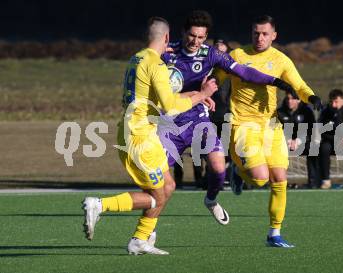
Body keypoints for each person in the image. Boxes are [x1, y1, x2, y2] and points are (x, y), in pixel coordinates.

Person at [82, 17, 218, 255]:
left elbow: (157, 99)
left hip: (140, 132)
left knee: (168, 186)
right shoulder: (156, 64)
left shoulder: (137, 58)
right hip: (139, 136)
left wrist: (195, 94)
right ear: (167, 38)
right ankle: (99, 205)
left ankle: (140, 239)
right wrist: (203, 93)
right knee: (155, 197)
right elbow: (170, 106)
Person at [159, 10, 297, 226]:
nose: (195, 41)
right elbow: (146, 76)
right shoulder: (165, 53)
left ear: (205, 37)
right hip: (169, 122)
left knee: (219, 168)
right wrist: (197, 95)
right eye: (191, 35)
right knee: (162, 185)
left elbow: (244, 71)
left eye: (200, 37)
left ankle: (211, 200)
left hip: (198, 119)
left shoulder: (211, 53)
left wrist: (275, 81)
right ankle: (147, 231)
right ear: (184, 32)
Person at [216, 15, 322, 248]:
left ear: (274, 35)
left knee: (279, 179)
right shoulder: (237, 56)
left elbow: (298, 85)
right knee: (261, 178)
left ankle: (274, 233)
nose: (260, 37)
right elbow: (215, 78)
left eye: (265, 33)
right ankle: (237, 169)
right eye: (256, 33)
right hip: (242, 124)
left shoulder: (281, 59)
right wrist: (201, 94)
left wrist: (311, 97)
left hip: (271, 127)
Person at [277, 93, 320, 188]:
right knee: (272, 151)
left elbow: (311, 131)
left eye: (292, 99)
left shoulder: (307, 111)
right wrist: (286, 140)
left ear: (299, 100)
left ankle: (313, 182)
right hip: (283, 143)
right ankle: (278, 181)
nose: (289, 101)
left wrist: (299, 140)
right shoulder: (279, 112)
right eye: (288, 98)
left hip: (302, 142)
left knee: (313, 148)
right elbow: (273, 130)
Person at [318, 89, 343, 189]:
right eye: (332, 102)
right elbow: (320, 129)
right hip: (329, 140)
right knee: (324, 148)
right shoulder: (325, 111)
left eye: (336, 102)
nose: (334, 105)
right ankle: (325, 180)